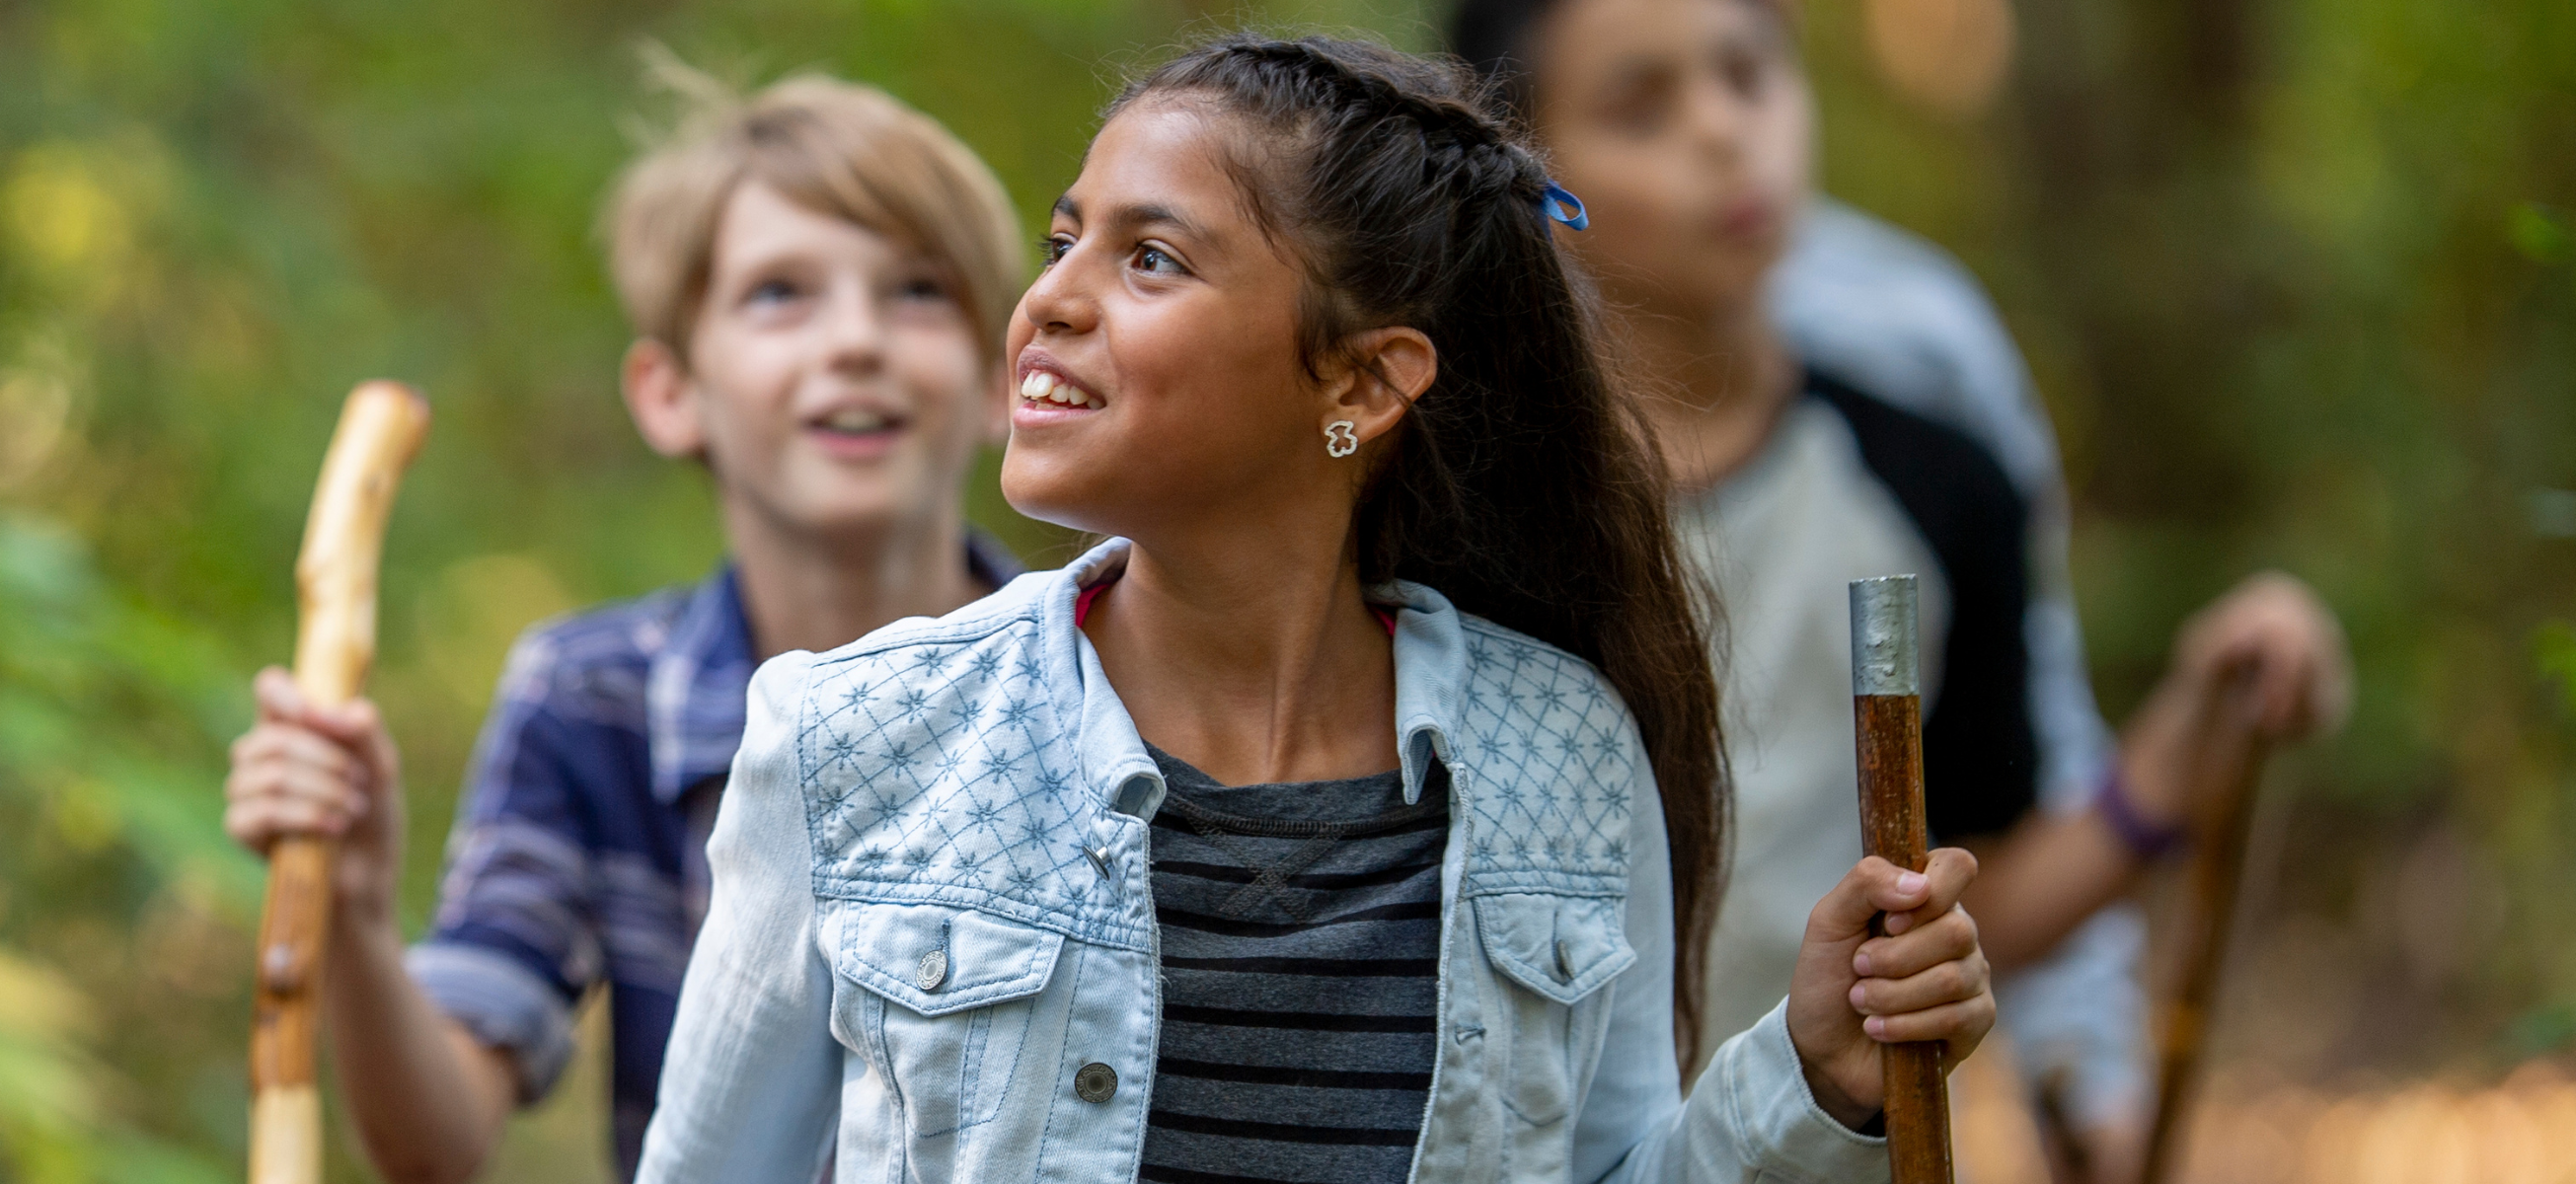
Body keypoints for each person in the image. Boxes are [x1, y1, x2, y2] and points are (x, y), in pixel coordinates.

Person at [639, 33, 1996, 1183]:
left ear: (1361, 384)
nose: (1049, 299)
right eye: (1063, 241)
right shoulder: (854, 736)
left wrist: (1816, 1071)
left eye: (1150, 259)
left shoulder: (1563, 752)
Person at [1441, 0, 2351, 1174]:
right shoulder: (1457, 512)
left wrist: (2181, 754)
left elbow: (1974, 898)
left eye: (1749, 74)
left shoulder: (1934, 479)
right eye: (1640, 107)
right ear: (1516, 166)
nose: (1723, 132)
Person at [219, 61, 1033, 1182]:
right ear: (670, 392)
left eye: (918, 292)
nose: (856, 339)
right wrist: (355, 913)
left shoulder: (1109, 684)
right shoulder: (594, 699)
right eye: (779, 294)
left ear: (1001, 381)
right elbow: (434, 1142)